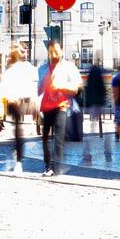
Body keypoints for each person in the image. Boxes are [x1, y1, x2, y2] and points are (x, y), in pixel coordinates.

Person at [38, 42, 82, 177]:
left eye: (56, 51)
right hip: (46, 106)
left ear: (62, 52)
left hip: (61, 106)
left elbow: (76, 88)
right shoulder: (42, 68)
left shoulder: (69, 67)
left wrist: (61, 86)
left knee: (58, 137)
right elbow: (38, 89)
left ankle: (56, 166)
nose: (53, 55)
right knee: (45, 138)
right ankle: (48, 166)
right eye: (50, 52)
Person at [0, 47, 40, 174]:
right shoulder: (26, 68)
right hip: (20, 101)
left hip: (17, 102)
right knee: (18, 131)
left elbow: (5, 88)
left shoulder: (12, 69)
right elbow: (34, 84)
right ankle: (18, 158)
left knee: (17, 130)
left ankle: (17, 158)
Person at [81, 59, 109, 164]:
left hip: (92, 105)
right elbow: (103, 90)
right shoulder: (100, 78)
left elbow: (87, 92)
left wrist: (87, 105)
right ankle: (107, 152)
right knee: (104, 128)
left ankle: (87, 153)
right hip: (100, 104)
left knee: (91, 129)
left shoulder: (90, 79)